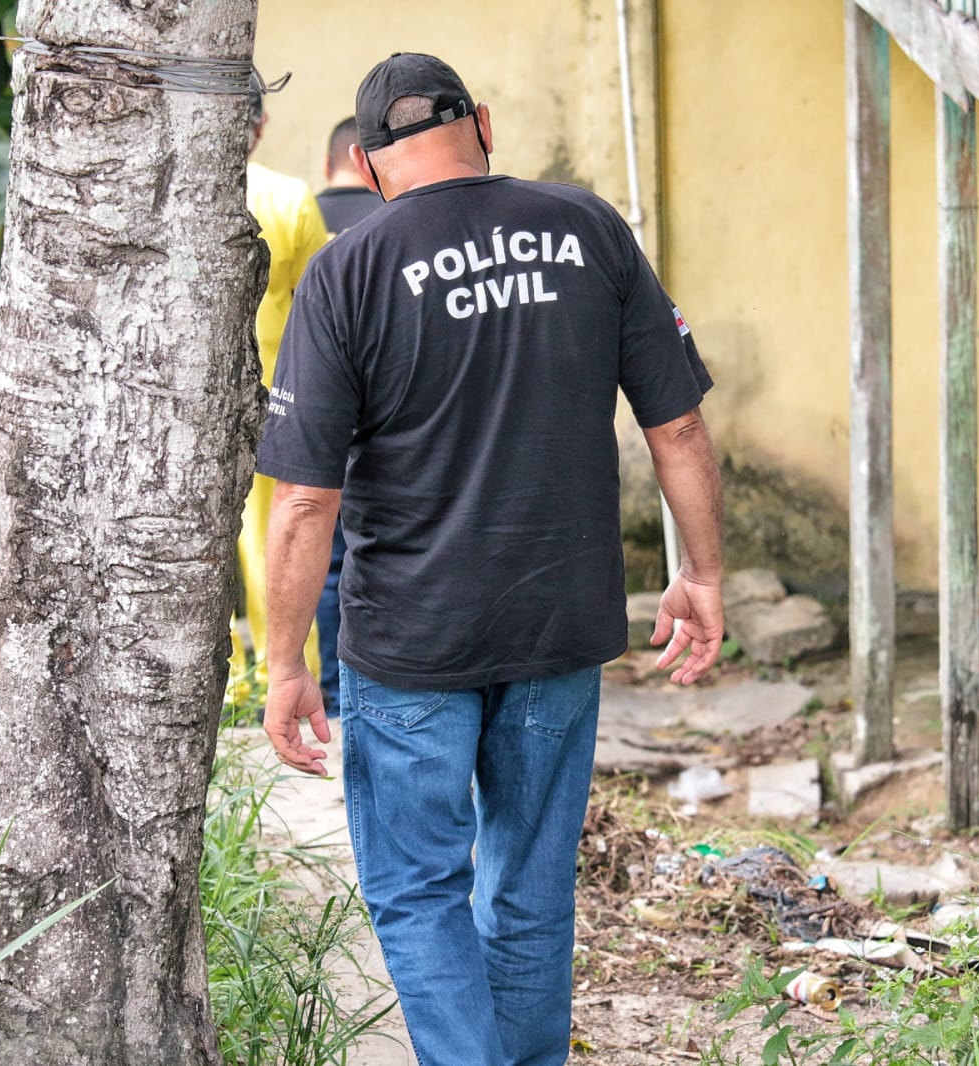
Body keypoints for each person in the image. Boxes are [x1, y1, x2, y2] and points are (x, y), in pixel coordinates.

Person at [257, 53, 724, 1066]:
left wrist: (285, 660)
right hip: (560, 626)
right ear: (487, 124)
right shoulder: (590, 227)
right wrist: (704, 574)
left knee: (416, 888)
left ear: (372, 170)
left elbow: (303, 501)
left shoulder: (350, 270)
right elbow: (679, 429)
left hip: (412, 641)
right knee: (528, 890)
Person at [232, 90, 331, 692]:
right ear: (261, 124)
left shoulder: (158, 195)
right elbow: (315, 311)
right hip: (271, 400)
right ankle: (283, 677)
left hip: (170, 407)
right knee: (276, 544)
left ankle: (220, 684)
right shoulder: (290, 198)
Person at [309, 117, 385, 718]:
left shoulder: (300, 220)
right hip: (393, 423)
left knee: (330, 562)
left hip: (312, 415)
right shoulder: (397, 228)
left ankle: (334, 693)